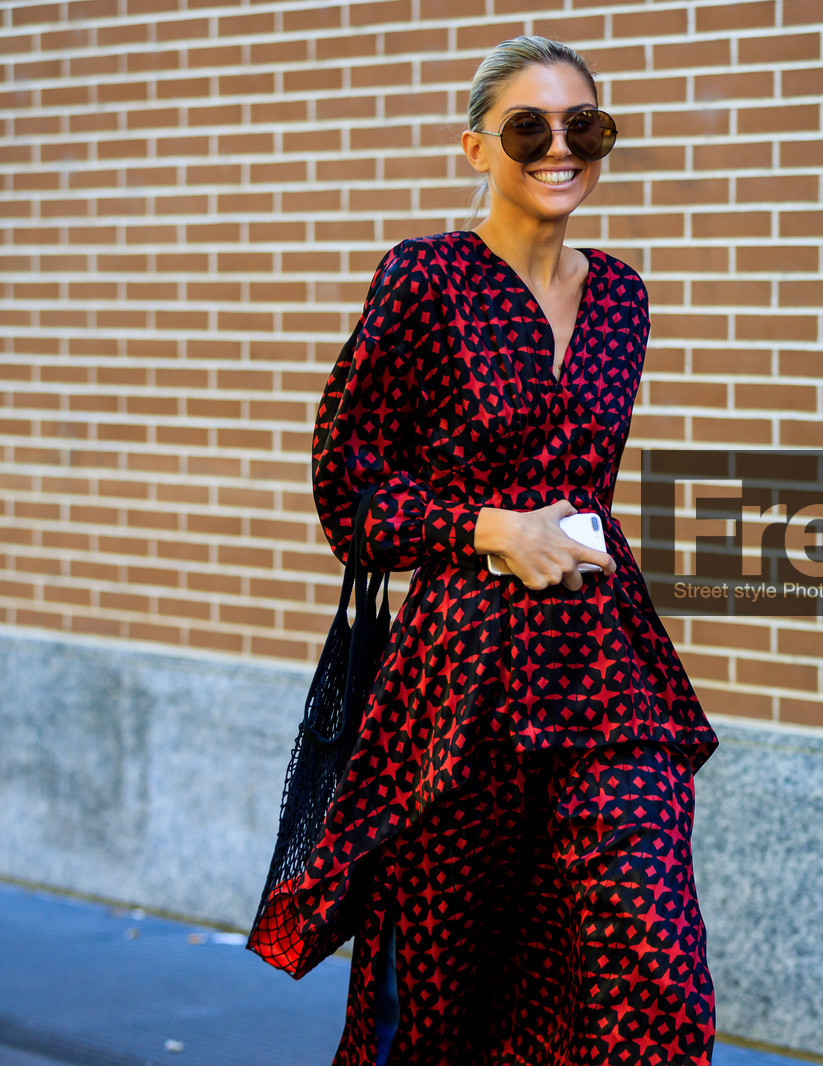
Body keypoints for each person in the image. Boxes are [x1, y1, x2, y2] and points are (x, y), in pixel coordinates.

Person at [281, 34, 721, 1066]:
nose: (560, 147)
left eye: (586, 126)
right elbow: (345, 476)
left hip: (603, 670)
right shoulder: (426, 277)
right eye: (530, 126)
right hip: (461, 683)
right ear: (476, 148)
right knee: (442, 985)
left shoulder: (621, 296)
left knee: (649, 961)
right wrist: (487, 527)